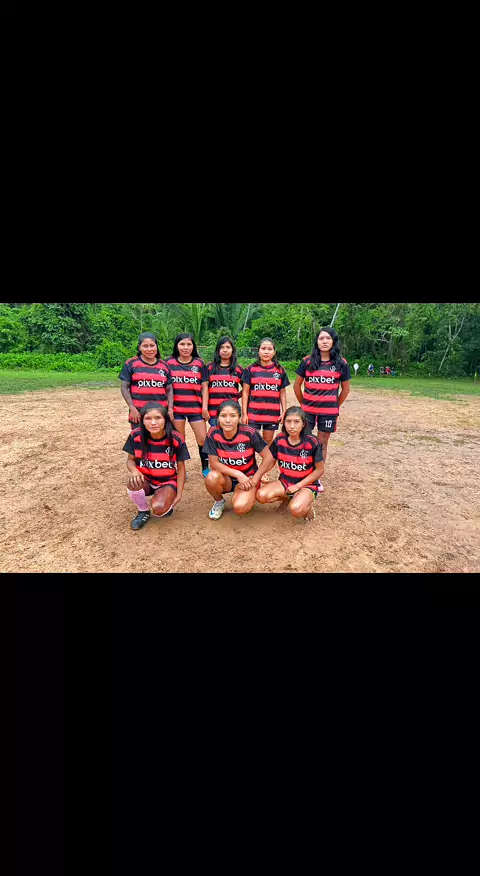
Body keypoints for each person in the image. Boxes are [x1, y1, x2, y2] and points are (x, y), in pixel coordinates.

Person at [123, 402, 190, 530]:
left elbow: (181, 468)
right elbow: (130, 461)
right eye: (148, 418)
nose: (153, 423)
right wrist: (134, 471)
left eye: (158, 418)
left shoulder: (176, 438)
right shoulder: (135, 435)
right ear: (142, 421)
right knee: (133, 483)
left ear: (165, 420)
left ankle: (164, 498)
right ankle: (143, 511)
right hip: (145, 479)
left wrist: (179, 493)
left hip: (167, 481)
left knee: (160, 509)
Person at [203, 400, 273, 520]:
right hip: (227, 478)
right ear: (218, 418)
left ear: (239, 418)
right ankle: (219, 501)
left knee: (241, 507)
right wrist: (238, 474)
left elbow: (268, 457)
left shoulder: (249, 432)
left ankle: (247, 493)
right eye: (223, 416)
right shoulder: (213, 433)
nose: (228, 420)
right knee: (211, 477)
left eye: (233, 416)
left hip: (248, 478)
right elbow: (214, 464)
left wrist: (255, 478)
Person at [293, 326, 350, 465]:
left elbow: (345, 390)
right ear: (317, 342)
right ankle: (303, 469)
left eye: (328, 338)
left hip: (329, 412)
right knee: (304, 440)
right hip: (308, 410)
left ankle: (317, 473)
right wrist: (303, 404)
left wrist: (334, 405)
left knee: (322, 443)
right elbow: (296, 386)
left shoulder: (341, 363)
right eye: (321, 338)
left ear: (333, 341)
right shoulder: (307, 361)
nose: (324, 341)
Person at [256, 406, 325, 522]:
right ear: (284, 423)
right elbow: (271, 460)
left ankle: (307, 504)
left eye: (296, 422)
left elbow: (320, 470)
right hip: (286, 482)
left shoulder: (312, 442)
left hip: (307, 485)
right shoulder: (280, 439)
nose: (292, 426)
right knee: (261, 496)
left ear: (303, 424)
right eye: (288, 421)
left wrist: (298, 486)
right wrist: (262, 473)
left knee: (296, 509)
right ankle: (288, 498)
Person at [242, 337, 290, 482]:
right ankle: (250, 468)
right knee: (251, 441)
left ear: (274, 352)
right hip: (254, 413)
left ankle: (264, 471)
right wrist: (244, 413)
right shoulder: (251, 369)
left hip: (272, 414)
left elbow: (282, 393)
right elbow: (245, 392)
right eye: (263, 349)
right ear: (258, 351)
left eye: (269, 349)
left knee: (268, 442)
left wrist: (284, 411)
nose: (266, 352)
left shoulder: (279, 370)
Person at [166, 333, 210, 477]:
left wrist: (204, 408)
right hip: (176, 409)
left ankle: (205, 468)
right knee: (179, 440)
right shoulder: (169, 363)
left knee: (202, 439)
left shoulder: (199, 363)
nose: (185, 347)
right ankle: (181, 469)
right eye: (182, 344)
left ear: (193, 346)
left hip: (196, 409)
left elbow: (204, 387)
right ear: (177, 346)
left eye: (189, 344)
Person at [119, 332, 173, 431]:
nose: (149, 349)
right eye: (145, 346)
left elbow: (169, 389)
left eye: (152, 345)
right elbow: (124, 387)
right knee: (139, 438)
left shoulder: (164, 366)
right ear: (140, 347)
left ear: (156, 346)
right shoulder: (131, 363)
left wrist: (170, 409)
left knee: (160, 438)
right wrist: (132, 408)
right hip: (138, 412)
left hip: (160, 412)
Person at [202, 336, 244, 427]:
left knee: (231, 434)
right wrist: (204, 408)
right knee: (217, 434)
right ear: (218, 350)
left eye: (228, 347)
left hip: (232, 411)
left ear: (232, 350)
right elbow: (204, 389)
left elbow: (247, 388)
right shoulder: (209, 367)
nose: (225, 350)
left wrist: (237, 396)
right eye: (222, 347)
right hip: (214, 412)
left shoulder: (238, 369)